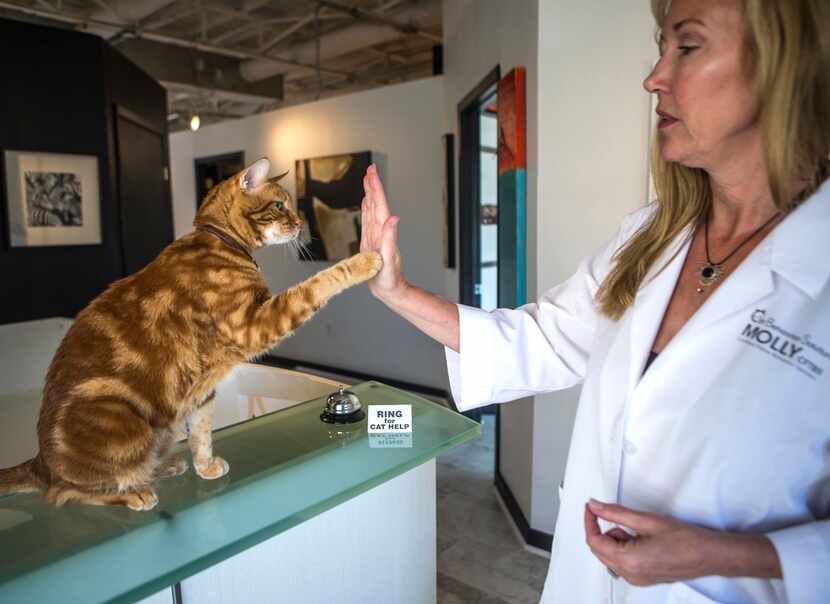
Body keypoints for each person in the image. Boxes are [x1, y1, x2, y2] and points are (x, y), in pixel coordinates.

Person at [359, 0, 829, 602]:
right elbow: (542, 340)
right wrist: (394, 290)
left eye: (687, 46)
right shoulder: (651, 237)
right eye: (662, 45)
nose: (654, 77)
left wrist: (741, 556)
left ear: (785, 64)